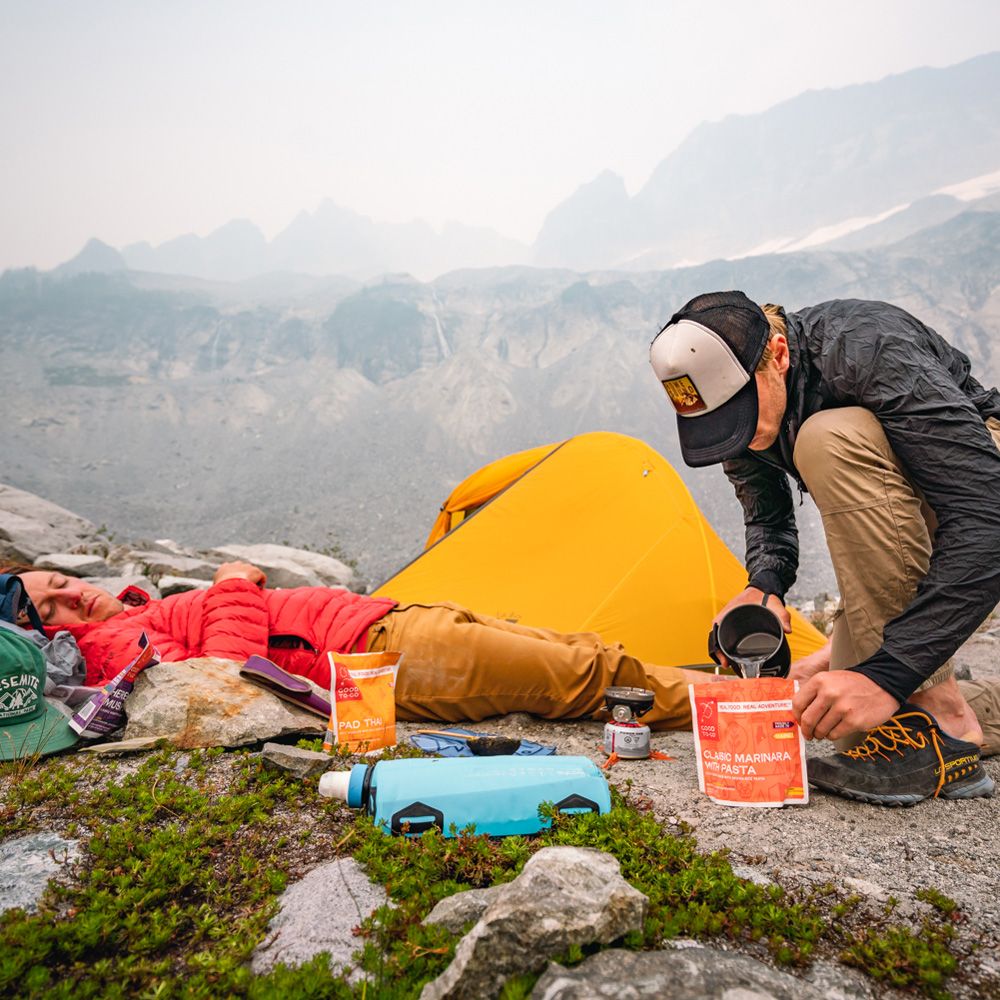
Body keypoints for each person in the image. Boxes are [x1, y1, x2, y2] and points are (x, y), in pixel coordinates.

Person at [649, 290, 1000, 805]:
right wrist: (764, 586)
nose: (736, 436)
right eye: (718, 423)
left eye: (738, 413)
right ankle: (946, 709)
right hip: (931, 512)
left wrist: (887, 675)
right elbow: (768, 516)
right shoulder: (744, 410)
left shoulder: (866, 346)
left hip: (976, 479)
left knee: (825, 438)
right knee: (849, 727)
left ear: (778, 355)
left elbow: (986, 513)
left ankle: (946, 718)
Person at [5, 562, 701, 731]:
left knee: (590, 655)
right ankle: (752, 706)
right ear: (40, 638)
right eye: (50, 611)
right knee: (586, 677)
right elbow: (220, 677)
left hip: (387, 620)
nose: (73, 598)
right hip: (381, 659)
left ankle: (746, 692)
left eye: (62, 583)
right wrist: (232, 585)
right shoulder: (107, 654)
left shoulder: (134, 613)